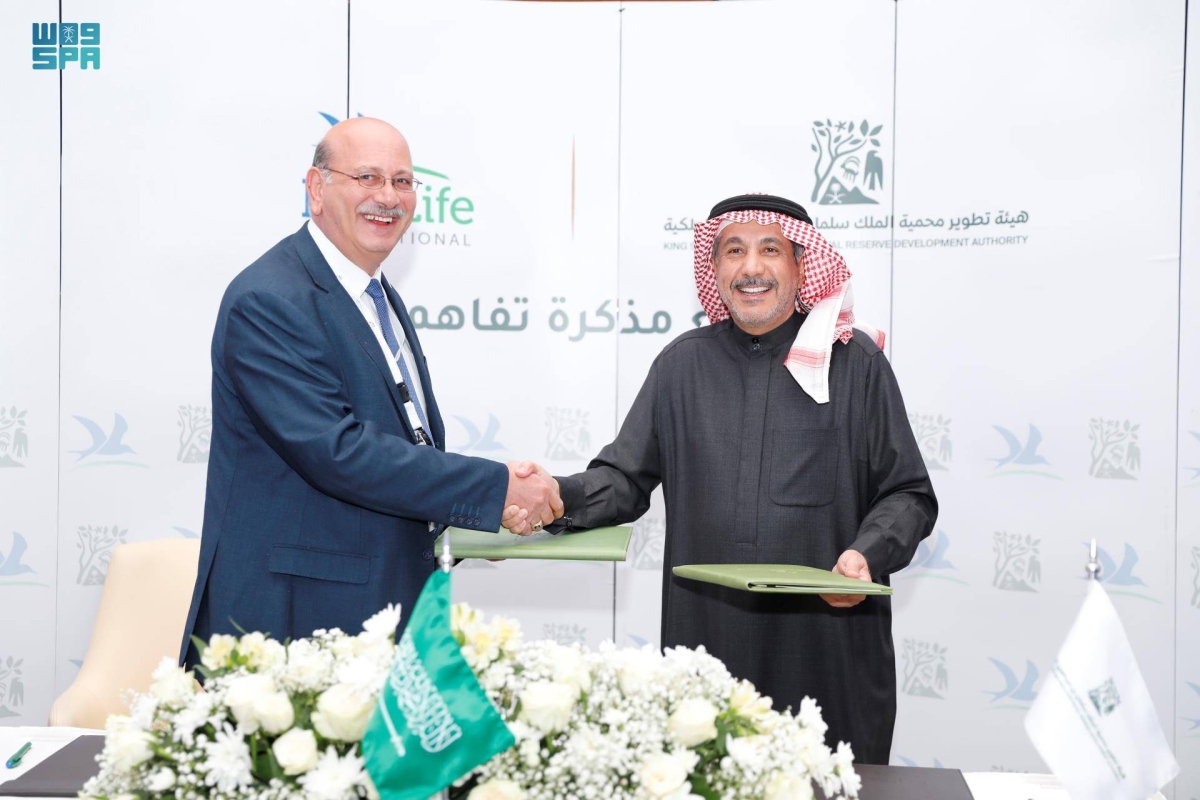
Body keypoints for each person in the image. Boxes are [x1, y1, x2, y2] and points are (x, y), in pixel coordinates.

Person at [508, 193, 937, 764]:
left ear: (802, 264)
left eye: (770, 250)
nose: (751, 267)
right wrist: (555, 496)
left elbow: (908, 493)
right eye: (734, 251)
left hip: (827, 653)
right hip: (708, 655)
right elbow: (623, 479)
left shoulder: (855, 364)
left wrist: (867, 554)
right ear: (714, 268)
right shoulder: (681, 366)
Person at [181, 118, 559, 667]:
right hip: (292, 624)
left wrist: (475, 515)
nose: (387, 197)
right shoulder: (269, 299)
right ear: (316, 188)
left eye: (402, 181)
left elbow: (403, 444)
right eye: (367, 177)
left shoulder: (374, 294)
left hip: (374, 609)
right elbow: (338, 452)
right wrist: (494, 489)